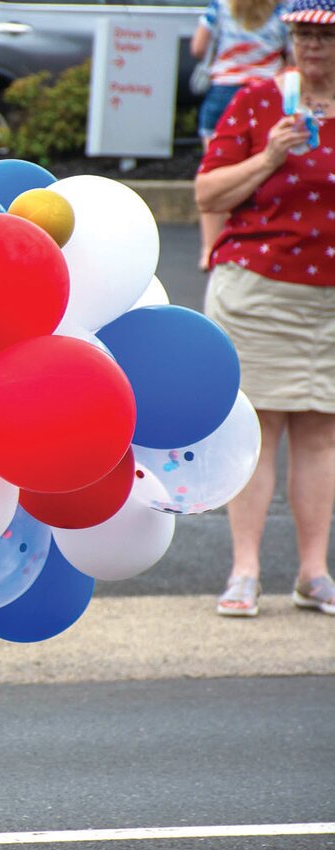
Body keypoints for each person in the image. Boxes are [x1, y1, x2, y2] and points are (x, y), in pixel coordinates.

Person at [195, 0, 335, 618]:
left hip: (328, 297)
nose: (313, 48)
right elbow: (208, 190)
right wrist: (271, 155)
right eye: (303, 34)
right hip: (257, 290)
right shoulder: (258, 100)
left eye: (326, 38)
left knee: (320, 434)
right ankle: (244, 572)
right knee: (257, 433)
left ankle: (313, 572)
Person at [191, 0, 288, 270]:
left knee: (216, 171)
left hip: (223, 92)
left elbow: (198, 47)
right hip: (267, 96)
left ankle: (209, 248)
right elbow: (291, 55)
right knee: (259, 171)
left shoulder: (219, 7)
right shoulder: (282, 9)